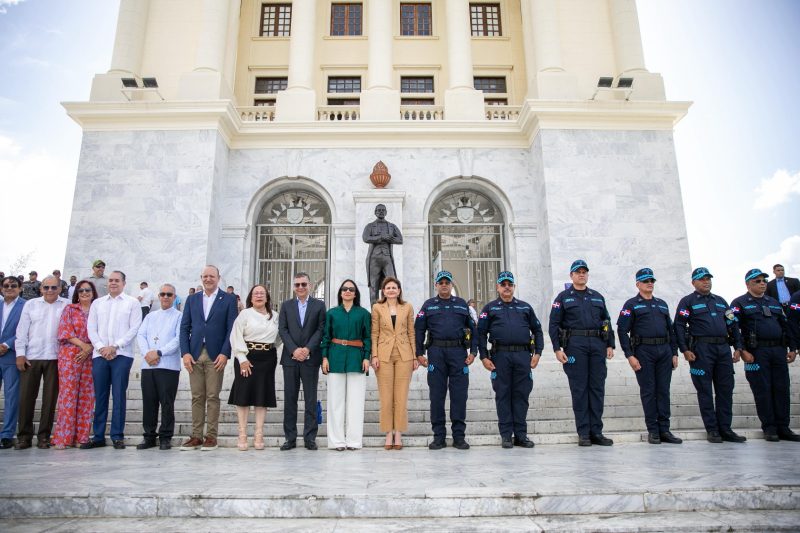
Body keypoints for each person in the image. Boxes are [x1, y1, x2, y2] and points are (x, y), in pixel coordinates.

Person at [674, 267, 745, 444]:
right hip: (701, 349)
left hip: (723, 348)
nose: (706, 282)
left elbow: (732, 324)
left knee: (725, 389)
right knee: (705, 390)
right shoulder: (687, 301)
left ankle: (725, 429)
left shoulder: (721, 301)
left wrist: (738, 346)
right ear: (693, 282)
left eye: (708, 278)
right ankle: (712, 430)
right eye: (702, 279)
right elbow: (679, 326)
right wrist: (684, 349)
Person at [549, 260, 615, 447]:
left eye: (584, 272)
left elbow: (607, 321)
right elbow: (554, 324)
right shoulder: (563, 297)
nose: (581, 275)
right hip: (575, 345)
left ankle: (597, 432)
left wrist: (610, 344)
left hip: (597, 344)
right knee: (579, 389)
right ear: (571, 275)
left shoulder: (597, 297)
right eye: (578, 272)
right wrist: (557, 349)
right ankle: (584, 433)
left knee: (597, 389)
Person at [731, 269, 800, 442]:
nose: (762, 283)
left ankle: (783, 427)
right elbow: (734, 328)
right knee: (763, 389)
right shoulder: (739, 303)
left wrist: (793, 347)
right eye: (758, 281)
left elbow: (786, 325)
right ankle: (769, 428)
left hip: (778, 351)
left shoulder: (774, 302)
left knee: (782, 388)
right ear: (748, 284)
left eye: (764, 280)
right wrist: (741, 349)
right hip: (756, 352)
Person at [616, 268, 682, 445]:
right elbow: (622, 331)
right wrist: (630, 355)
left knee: (663, 391)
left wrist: (674, 352)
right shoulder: (631, 304)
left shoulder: (662, 304)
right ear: (638, 284)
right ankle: (653, 430)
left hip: (664, 351)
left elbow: (671, 330)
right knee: (649, 391)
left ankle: (665, 430)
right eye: (646, 281)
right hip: (644, 351)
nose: (650, 283)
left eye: (652, 280)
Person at [478, 271, 543, 449]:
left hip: (523, 356)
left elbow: (537, 330)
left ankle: (521, 435)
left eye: (509, 284)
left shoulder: (525, 307)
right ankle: (506, 435)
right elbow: (480, 334)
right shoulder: (490, 309)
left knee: (521, 395)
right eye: (503, 284)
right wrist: (483, 357)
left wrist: (538, 353)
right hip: (500, 357)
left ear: (514, 287)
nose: (506, 287)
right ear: (498, 287)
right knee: (503, 395)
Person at [415, 270, 477, 450]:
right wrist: (419, 353)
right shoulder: (428, 305)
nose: (444, 285)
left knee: (459, 396)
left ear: (451, 285)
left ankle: (459, 437)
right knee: (437, 396)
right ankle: (439, 437)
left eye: (447, 282)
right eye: (441, 282)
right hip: (436, 353)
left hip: (458, 353)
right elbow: (419, 330)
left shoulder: (461, 304)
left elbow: (474, 329)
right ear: (436, 285)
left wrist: (473, 352)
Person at [179, 265, 238, 451]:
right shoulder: (192, 299)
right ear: (201, 278)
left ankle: (211, 436)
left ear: (218, 278)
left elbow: (231, 328)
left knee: (212, 396)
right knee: (197, 396)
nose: (208, 279)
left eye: (212, 276)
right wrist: (185, 353)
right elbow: (184, 327)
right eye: (205, 276)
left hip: (216, 354)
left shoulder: (228, 299)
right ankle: (196, 436)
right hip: (194, 353)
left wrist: (225, 353)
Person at [84, 270, 141, 449]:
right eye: (111, 280)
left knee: (118, 395)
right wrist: (101, 347)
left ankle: (117, 435)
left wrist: (115, 346)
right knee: (100, 396)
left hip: (121, 355)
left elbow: (134, 328)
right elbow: (91, 328)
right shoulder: (98, 303)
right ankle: (98, 436)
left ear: (124, 283)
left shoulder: (132, 303)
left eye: (117, 280)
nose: (113, 283)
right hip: (100, 355)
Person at [14, 275, 69, 449]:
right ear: (41, 288)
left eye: (53, 287)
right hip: (32, 357)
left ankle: (44, 436)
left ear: (60, 289)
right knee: (26, 398)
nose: (50, 290)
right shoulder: (31, 305)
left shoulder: (67, 305)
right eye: (46, 287)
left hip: (55, 357)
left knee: (50, 399)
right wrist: (20, 354)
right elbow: (22, 331)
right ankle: (24, 437)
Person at [228, 284, 281, 451]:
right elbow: (235, 335)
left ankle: (259, 433)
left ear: (267, 297)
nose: (259, 296)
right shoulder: (245, 314)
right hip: (247, 357)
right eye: (255, 293)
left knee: (262, 395)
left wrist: (270, 347)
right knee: (243, 394)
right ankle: (242, 433)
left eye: (262, 293)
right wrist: (242, 358)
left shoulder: (275, 316)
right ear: (251, 298)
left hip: (267, 358)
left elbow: (280, 337)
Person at [278, 272, 326, 451]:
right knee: (290, 399)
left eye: (303, 284)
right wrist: (294, 350)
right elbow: (283, 329)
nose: (300, 287)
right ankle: (290, 438)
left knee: (310, 399)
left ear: (310, 286)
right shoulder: (286, 306)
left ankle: (310, 438)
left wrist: (307, 349)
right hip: (290, 359)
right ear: (293, 287)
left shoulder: (319, 305)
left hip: (310, 358)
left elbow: (321, 329)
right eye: (297, 284)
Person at [321, 280, 371, 450]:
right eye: (344, 289)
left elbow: (368, 337)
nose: (347, 291)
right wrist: (324, 357)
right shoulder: (332, 313)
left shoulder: (363, 314)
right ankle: (336, 441)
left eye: (351, 289)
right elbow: (326, 337)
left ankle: (354, 441)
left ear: (356, 293)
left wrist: (366, 357)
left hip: (357, 359)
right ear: (340, 292)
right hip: (335, 358)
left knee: (356, 402)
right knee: (335, 403)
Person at [370, 276, 417, 450]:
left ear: (399, 291)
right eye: (388, 287)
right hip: (384, 355)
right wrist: (374, 355)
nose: (391, 290)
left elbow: (411, 332)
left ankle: (398, 433)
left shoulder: (407, 307)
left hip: (404, 354)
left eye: (394, 287)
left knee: (401, 397)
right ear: (383, 291)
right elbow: (374, 333)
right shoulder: (377, 307)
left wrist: (414, 356)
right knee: (386, 397)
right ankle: (388, 433)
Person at [51, 280, 98, 449]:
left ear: (93, 293)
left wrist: (89, 348)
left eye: (88, 290)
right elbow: (65, 331)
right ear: (76, 293)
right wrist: (83, 346)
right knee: (68, 396)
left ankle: (81, 437)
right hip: (70, 356)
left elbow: (103, 332)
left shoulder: (98, 310)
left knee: (86, 397)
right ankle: (63, 437)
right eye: (81, 290)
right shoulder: (70, 309)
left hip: (90, 357)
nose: (84, 293)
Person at [135, 284, 182, 450]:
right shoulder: (150, 316)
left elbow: (178, 339)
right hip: (149, 365)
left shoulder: (179, 316)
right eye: (163, 294)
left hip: (168, 366)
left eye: (169, 294)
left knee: (167, 402)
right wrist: (147, 353)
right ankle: (149, 436)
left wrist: (159, 352)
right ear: (158, 296)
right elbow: (141, 335)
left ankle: (165, 437)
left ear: (174, 297)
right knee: (149, 402)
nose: (166, 297)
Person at [0, 276, 26, 449]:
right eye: (6, 285)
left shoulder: (25, 306)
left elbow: (25, 330)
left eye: (13, 285)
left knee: (11, 397)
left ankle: (7, 435)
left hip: (11, 355)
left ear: (20, 288)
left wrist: (6, 344)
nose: (9, 288)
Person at [363, 204, 403, 305]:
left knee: (392, 283)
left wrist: (390, 238)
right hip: (374, 259)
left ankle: (391, 308)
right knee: (373, 286)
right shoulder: (370, 226)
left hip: (387, 258)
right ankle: (375, 311)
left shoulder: (391, 226)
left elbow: (400, 239)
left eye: (382, 210)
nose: (381, 212)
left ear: (386, 212)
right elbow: (366, 238)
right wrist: (381, 237)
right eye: (378, 210)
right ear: (375, 212)